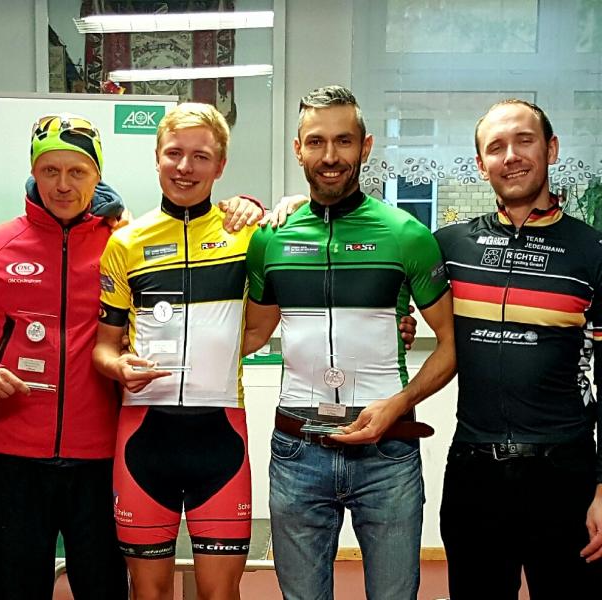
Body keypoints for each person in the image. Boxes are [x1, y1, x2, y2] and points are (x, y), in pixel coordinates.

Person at [0, 112, 264, 600]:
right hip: (15, 456)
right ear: (33, 171)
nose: (63, 185)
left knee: (105, 591)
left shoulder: (121, 241)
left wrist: (250, 205)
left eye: (78, 171)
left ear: (97, 175)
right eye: (50, 170)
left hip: (101, 455)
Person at [242, 84, 456, 600]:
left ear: (366, 146)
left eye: (344, 141)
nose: (330, 156)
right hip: (298, 448)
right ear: (298, 149)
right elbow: (252, 333)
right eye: (316, 142)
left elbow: (451, 345)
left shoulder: (406, 234)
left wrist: (399, 404)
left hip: (388, 449)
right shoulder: (271, 237)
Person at [435, 99, 602, 598]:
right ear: (480, 163)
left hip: (565, 475)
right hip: (473, 473)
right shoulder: (448, 246)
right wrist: (291, 206)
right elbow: (375, 255)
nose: (511, 156)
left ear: (551, 149)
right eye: (496, 147)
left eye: (524, 141)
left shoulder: (592, 252)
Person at [93, 103, 258, 600]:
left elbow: (264, 319)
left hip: (222, 438)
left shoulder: (248, 234)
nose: (185, 167)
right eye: (174, 153)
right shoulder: (125, 243)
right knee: (149, 595)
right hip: (144, 436)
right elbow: (103, 350)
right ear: (157, 157)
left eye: (200, 156)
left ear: (220, 165)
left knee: (219, 595)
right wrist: (118, 366)